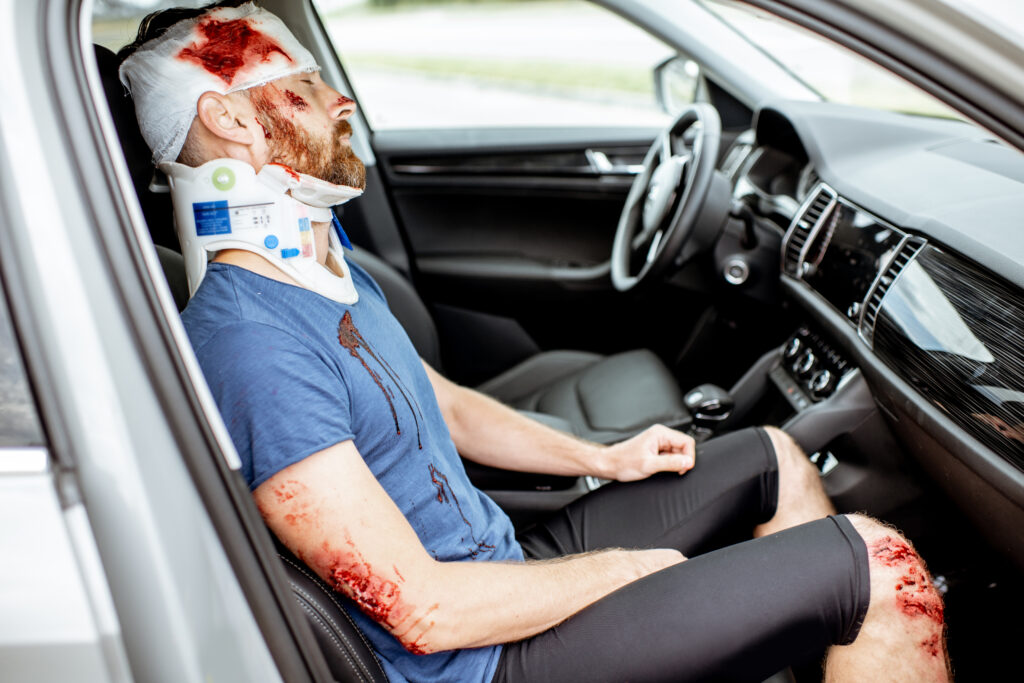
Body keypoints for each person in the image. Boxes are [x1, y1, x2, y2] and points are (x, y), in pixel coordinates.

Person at [117, 2, 952, 681]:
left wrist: (607, 456)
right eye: (302, 87)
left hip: (503, 559)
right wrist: (627, 570)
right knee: (885, 568)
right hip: (482, 658)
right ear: (227, 119)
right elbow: (424, 610)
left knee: (774, 454)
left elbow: (435, 398)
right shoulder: (249, 345)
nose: (339, 101)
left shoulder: (318, 270)